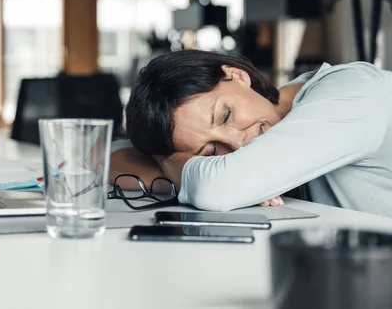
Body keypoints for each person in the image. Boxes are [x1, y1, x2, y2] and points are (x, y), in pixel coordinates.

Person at [110, 49, 392, 217]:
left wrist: (173, 166)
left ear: (237, 76)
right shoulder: (279, 121)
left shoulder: (354, 92)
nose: (237, 144)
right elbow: (111, 157)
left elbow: (217, 187)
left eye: (226, 115)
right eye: (210, 152)